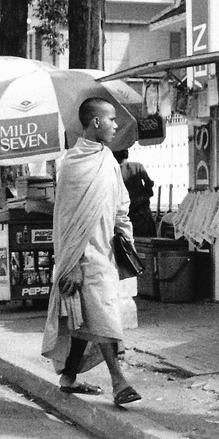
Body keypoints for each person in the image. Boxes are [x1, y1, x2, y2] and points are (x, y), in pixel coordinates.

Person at [41, 98, 142, 406]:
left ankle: (69, 378)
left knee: (83, 322)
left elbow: (120, 206)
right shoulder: (72, 164)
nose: (115, 125)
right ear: (95, 122)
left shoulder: (108, 160)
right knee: (105, 318)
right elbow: (66, 221)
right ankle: (118, 382)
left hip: (106, 252)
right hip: (82, 258)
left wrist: (126, 241)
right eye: (111, 119)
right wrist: (71, 264)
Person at [114, 148, 157, 237]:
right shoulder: (138, 166)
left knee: (131, 237)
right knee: (148, 236)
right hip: (142, 209)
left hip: (126, 209)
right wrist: (147, 193)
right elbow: (148, 183)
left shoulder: (115, 171)